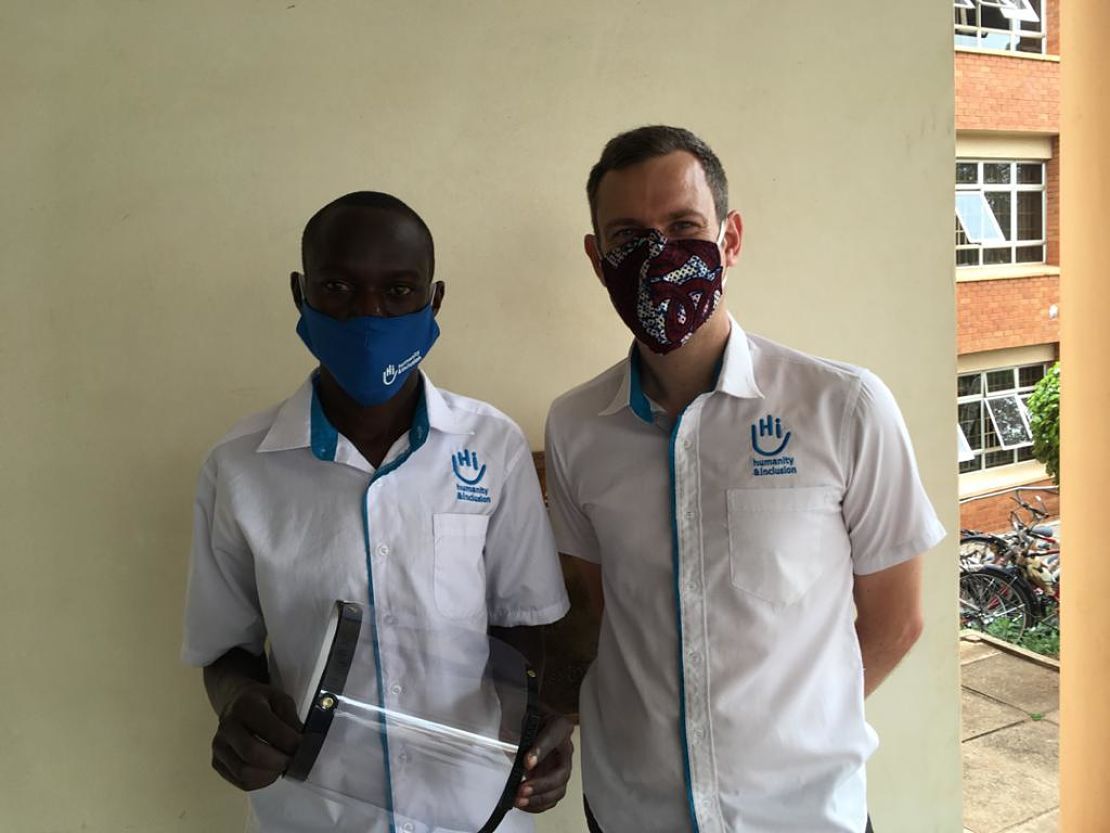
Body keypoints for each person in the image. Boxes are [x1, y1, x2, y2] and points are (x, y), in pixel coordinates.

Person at [544, 126, 946, 833]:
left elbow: (898, 619)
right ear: (598, 260)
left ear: (729, 239)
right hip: (633, 810)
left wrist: (791, 737)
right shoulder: (576, 426)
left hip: (804, 815)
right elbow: (602, 612)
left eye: (683, 226)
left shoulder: (843, 406)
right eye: (628, 237)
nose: (659, 255)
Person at [182, 191, 573, 832]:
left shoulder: (489, 446)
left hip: (471, 812)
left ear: (434, 299)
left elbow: (521, 624)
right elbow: (225, 647)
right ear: (299, 293)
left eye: (398, 291)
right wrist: (238, 704)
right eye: (336, 287)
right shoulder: (239, 467)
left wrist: (530, 727)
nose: (368, 315)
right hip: (314, 813)